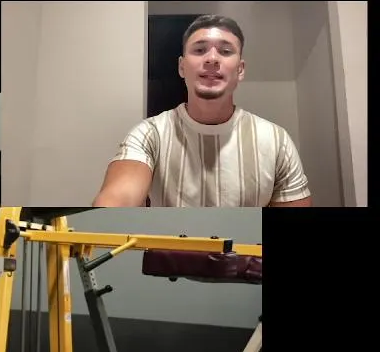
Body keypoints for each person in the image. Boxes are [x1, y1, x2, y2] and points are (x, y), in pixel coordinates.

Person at [92, 14, 312, 208]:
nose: (212, 58)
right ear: (181, 67)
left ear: (240, 70)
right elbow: (117, 199)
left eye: (225, 51)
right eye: (199, 50)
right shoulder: (149, 134)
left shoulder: (276, 141)